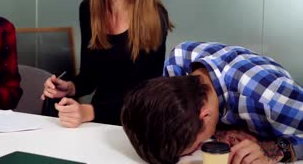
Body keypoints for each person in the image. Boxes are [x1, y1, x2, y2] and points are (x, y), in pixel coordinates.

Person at [41, 0, 173, 127]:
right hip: (97, 123)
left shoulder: (154, 16)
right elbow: (90, 75)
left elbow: (145, 96)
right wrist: (70, 87)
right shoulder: (88, 8)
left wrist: (88, 111)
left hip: (137, 125)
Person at [121, 41, 303, 164]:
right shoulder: (178, 61)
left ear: (205, 115)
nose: (201, 147)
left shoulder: (270, 97)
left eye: (197, 145)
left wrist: (274, 152)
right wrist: (221, 131)